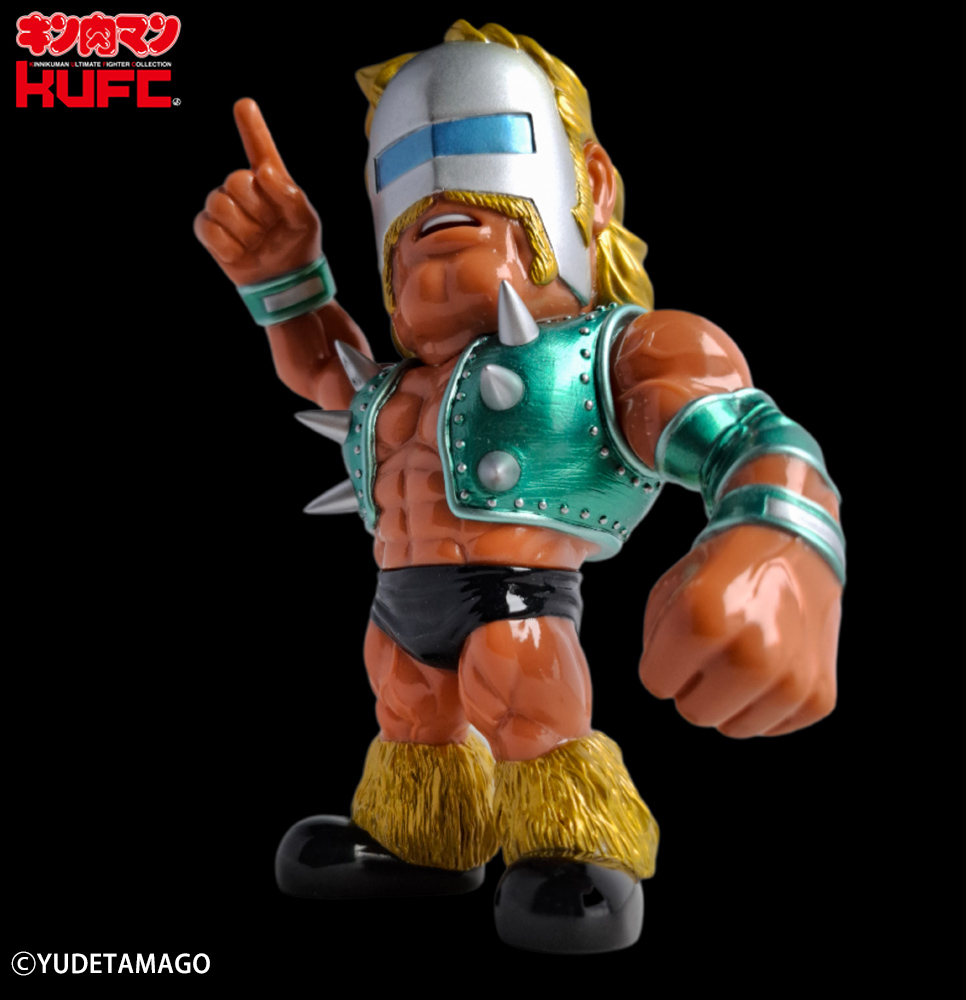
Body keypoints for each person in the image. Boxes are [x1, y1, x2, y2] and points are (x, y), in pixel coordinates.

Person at [194, 20, 844, 954]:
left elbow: (743, 432)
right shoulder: (396, 385)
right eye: (401, 171)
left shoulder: (608, 354)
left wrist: (781, 540)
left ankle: (579, 852)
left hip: (517, 600)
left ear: (589, 186)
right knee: (407, 708)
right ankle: (425, 837)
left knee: (525, 705)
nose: (436, 195)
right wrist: (287, 276)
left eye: (486, 140)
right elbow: (321, 367)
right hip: (400, 604)